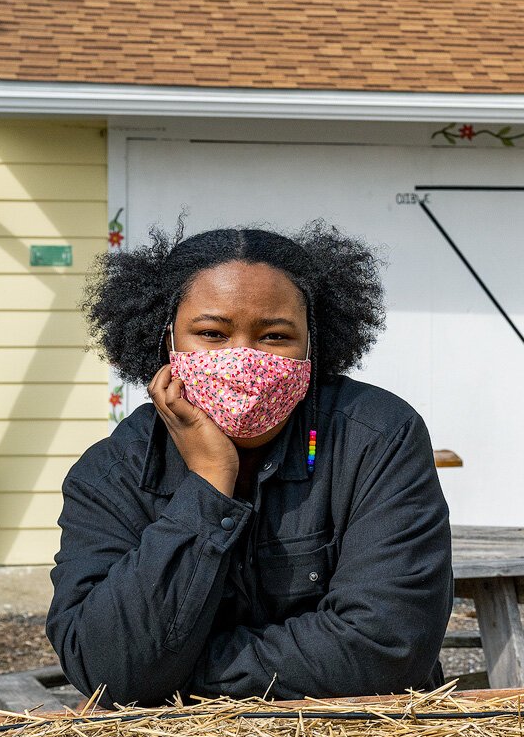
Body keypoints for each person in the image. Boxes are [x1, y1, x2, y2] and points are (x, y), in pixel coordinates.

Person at [47, 225, 453, 706]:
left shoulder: (379, 437)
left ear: (312, 343)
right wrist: (208, 484)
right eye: (212, 334)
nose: (243, 359)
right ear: (166, 338)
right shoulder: (113, 471)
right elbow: (105, 665)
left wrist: (174, 675)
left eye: (275, 335)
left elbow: (387, 644)